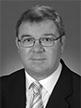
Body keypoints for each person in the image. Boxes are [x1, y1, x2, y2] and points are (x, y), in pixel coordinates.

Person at [0, 5, 81, 108]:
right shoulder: (2, 88)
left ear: (62, 43)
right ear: (18, 45)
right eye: (28, 40)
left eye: (47, 39)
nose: (37, 49)